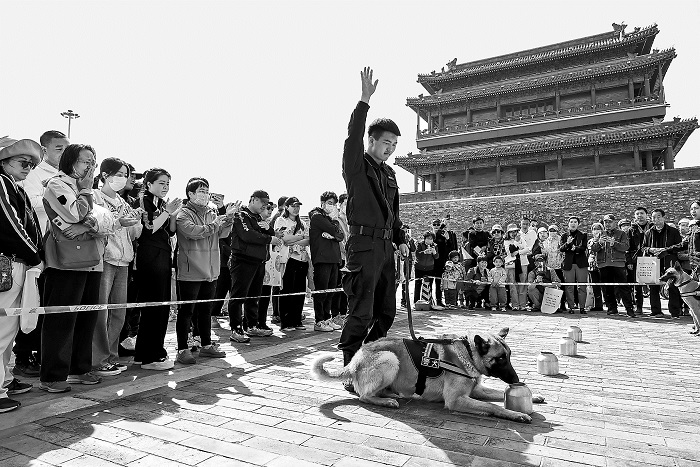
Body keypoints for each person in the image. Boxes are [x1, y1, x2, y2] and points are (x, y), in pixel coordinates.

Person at [338, 67, 408, 391]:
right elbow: (352, 136)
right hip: (363, 246)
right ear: (372, 140)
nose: (390, 148)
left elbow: (394, 214)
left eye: (394, 144)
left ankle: (366, 360)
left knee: (386, 311)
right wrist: (364, 101)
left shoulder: (390, 174)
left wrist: (400, 238)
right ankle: (350, 370)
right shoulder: (356, 165)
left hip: (385, 249)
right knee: (361, 312)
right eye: (385, 142)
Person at [41, 144, 112, 391]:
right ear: (70, 161)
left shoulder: (88, 188)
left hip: (92, 259)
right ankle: (53, 376)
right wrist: (86, 195)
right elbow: (75, 214)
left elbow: (106, 220)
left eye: (93, 162)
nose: (90, 167)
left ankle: (79, 368)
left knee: (86, 317)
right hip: (65, 261)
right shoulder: (58, 184)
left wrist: (86, 225)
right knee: (61, 319)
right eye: (85, 161)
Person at [12, 130, 69, 378]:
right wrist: (53, 191)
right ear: (44, 150)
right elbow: (31, 203)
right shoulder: (35, 174)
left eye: (67, 149)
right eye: (59, 149)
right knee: (32, 302)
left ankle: (42, 354)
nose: (64, 154)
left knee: (49, 305)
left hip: (61, 248)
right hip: (37, 247)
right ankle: (24, 356)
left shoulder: (65, 176)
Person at [0, 139, 44, 411]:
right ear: (4, 161)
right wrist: (35, 256)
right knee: (2, 329)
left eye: (31, 164)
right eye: (22, 162)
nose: (28, 167)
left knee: (9, 329)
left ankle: (4, 379)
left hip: (15, 263)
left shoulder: (13, 185)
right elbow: (10, 224)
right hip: (7, 263)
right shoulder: (2, 182)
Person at [174, 177, 235, 364]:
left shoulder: (211, 212)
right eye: (201, 191)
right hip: (190, 269)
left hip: (211, 270)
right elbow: (193, 232)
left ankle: (206, 345)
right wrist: (218, 223)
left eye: (207, 191)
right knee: (186, 311)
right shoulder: (182, 213)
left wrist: (229, 219)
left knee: (206, 310)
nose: (205, 195)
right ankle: (182, 348)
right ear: (190, 194)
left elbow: (222, 234)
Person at [91, 158, 142, 376]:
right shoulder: (94, 197)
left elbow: (135, 234)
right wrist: (118, 220)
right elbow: (96, 225)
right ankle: (97, 360)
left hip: (124, 261)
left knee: (119, 313)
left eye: (125, 175)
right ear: (105, 175)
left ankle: (111, 356)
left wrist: (136, 221)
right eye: (119, 174)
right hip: (104, 260)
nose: (123, 178)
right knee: (100, 312)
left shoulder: (124, 202)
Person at [133, 168, 182, 370]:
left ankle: (143, 353)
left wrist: (172, 214)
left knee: (160, 306)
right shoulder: (143, 201)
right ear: (148, 184)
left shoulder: (161, 203)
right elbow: (150, 227)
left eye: (168, 183)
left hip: (162, 254)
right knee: (154, 306)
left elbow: (170, 231)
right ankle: (151, 356)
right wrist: (167, 212)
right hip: (150, 255)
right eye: (161, 183)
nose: (165, 187)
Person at [229, 190, 282, 342]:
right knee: (238, 296)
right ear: (253, 200)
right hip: (243, 261)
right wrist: (268, 238)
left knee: (254, 297)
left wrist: (268, 230)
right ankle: (236, 329)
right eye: (262, 203)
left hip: (259, 262)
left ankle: (251, 325)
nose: (264, 206)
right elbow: (248, 235)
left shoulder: (259, 218)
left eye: (267, 204)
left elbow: (272, 233)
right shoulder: (241, 215)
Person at [309, 191, 345, 332]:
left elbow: (340, 235)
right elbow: (333, 230)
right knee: (321, 292)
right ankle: (319, 320)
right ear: (323, 203)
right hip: (322, 259)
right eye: (330, 203)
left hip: (334, 259)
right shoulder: (317, 216)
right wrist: (334, 231)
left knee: (331, 291)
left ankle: (327, 318)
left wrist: (334, 235)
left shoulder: (331, 219)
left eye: (334, 204)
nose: (332, 206)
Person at [275, 196, 311, 331]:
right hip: (288, 259)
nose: (296, 209)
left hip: (302, 259)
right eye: (293, 206)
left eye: (298, 206)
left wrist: (295, 239)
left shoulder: (303, 223)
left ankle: (297, 320)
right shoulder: (281, 220)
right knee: (287, 290)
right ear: (287, 207)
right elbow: (285, 239)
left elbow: (308, 240)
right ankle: (286, 322)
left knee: (299, 291)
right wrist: (300, 237)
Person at [590, 215, 635, 317]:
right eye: (606, 222)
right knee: (607, 288)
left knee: (623, 287)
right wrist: (599, 243)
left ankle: (629, 309)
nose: (608, 224)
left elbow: (626, 247)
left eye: (610, 222)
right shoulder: (600, 234)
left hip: (618, 264)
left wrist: (614, 243)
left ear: (615, 222)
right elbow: (593, 249)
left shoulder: (621, 233)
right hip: (603, 264)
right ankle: (612, 308)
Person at [642, 209, 683, 318]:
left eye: (658, 216)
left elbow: (679, 246)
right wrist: (650, 249)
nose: (656, 219)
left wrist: (666, 250)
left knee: (672, 286)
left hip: (669, 262)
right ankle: (656, 311)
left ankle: (675, 312)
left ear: (664, 217)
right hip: (654, 262)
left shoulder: (673, 231)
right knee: (653, 287)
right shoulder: (648, 233)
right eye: (653, 217)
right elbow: (643, 247)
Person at [559, 216, 588, 314]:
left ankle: (582, 307)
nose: (573, 223)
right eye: (571, 222)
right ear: (568, 224)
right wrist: (567, 244)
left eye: (575, 222)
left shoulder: (583, 235)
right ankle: (571, 307)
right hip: (568, 264)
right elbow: (561, 248)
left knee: (582, 286)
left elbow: (583, 247)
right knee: (569, 287)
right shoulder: (564, 235)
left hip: (581, 264)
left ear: (578, 224)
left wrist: (575, 249)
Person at [627, 207, 652, 314]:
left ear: (646, 215)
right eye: (637, 214)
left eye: (642, 213)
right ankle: (639, 307)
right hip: (636, 259)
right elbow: (627, 247)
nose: (639, 215)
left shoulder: (652, 227)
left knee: (653, 284)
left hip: (651, 258)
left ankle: (655, 308)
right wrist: (629, 261)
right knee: (637, 285)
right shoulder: (631, 230)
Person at [268, 196, 287, 325]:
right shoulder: (279, 218)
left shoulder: (278, 216)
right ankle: (276, 313)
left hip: (280, 255)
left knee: (279, 284)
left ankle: (278, 312)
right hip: (277, 255)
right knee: (277, 284)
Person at [433, 217, 458, 307]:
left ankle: (446, 301)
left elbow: (452, 248)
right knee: (436, 281)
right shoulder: (436, 234)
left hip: (445, 261)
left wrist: (448, 239)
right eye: (434, 224)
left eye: (449, 223)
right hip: (436, 261)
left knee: (445, 282)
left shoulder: (450, 234)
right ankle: (436, 300)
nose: (436, 226)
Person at [504, 224, 526, 310]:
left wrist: (518, 251)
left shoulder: (522, 239)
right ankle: (515, 304)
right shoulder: (506, 241)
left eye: (515, 231)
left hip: (523, 263)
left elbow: (527, 249)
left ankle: (523, 305)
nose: (513, 233)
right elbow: (510, 252)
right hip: (511, 265)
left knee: (523, 284)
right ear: (508, 233)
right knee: (513, 285)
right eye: (511, 232)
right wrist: (516, 243)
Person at [414, 231, 439, 304]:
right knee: (418, 284)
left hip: (429, 268)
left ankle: (428, 302)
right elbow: (417, 254)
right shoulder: (420, 244)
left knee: (429, 285)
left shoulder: (435, 246)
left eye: (431, 239)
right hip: (419, 267)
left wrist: (434, 252)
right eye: (428, 238)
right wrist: (424, 252)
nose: (429, 240)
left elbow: (436, 257)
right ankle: (416, 302)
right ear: (425, 238)